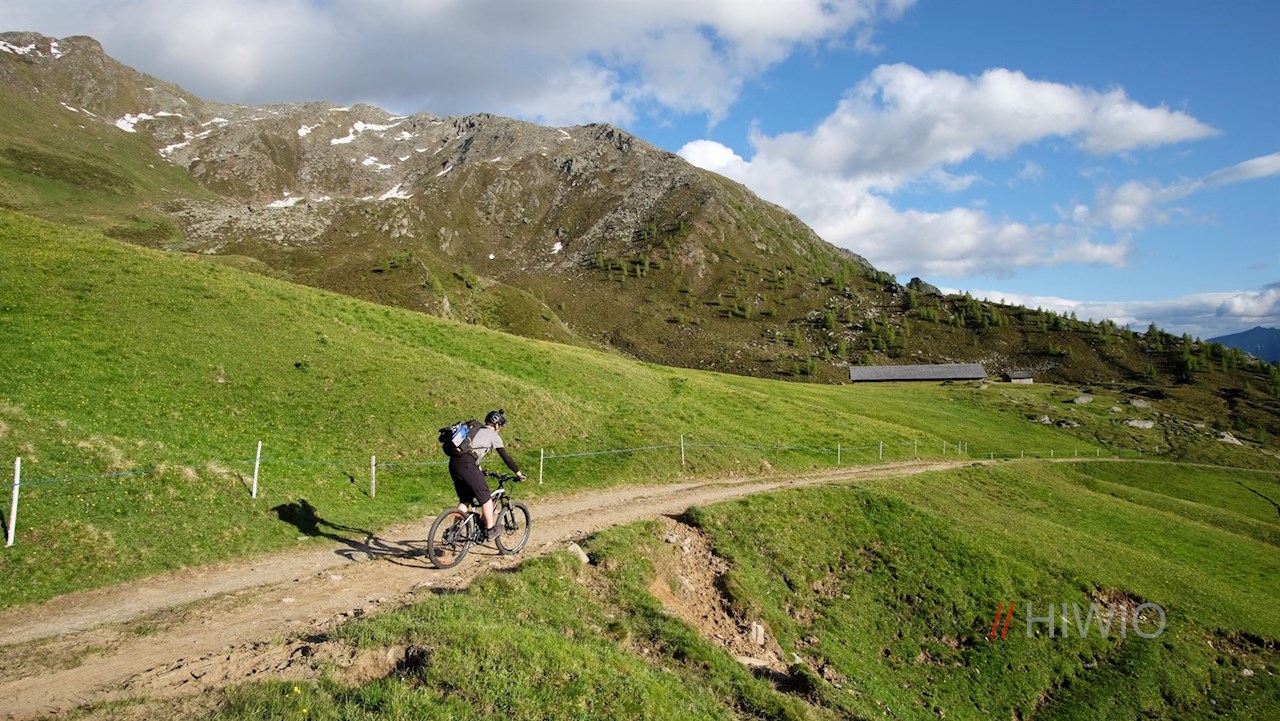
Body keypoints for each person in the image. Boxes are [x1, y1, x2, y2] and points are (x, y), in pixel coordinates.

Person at [447, 408, 525, 542]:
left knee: (465, 500)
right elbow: (506, 458)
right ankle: (490, 530)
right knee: (486, 498)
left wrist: (479, 469)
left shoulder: (474, 431)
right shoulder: (493, 435)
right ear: (496, 425)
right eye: (500, 426)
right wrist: (518, 473)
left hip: (454, 464)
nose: (500, 429)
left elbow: (470, 452)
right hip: (467, 465)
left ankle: (454, 532)